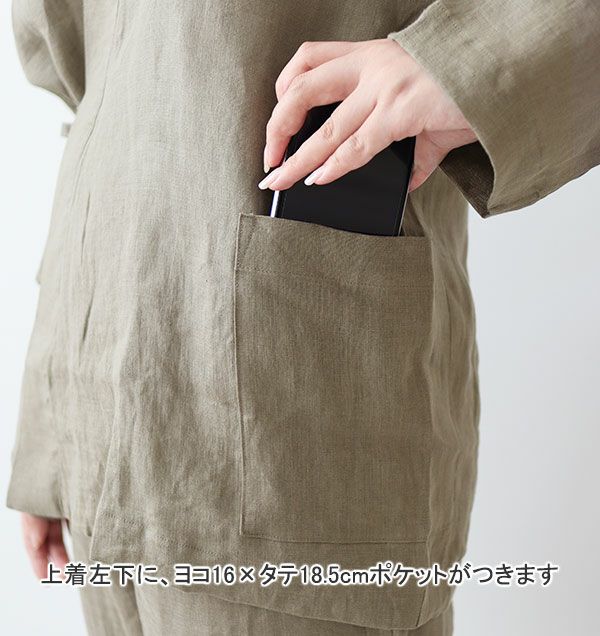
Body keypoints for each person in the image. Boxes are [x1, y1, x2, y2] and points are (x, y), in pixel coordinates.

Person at [7, 1, 599, 634]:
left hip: (295, 414)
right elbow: (89, 77)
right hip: (98, 405)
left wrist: (466, 63)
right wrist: (49, 429)